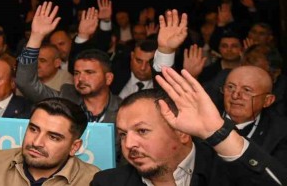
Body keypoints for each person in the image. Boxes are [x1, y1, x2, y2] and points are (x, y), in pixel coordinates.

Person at [92, 66, 287, 186]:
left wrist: (219, 133)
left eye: (142, 131)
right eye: (123, 134)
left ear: (182, 133)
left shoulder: (224, 173)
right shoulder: (107, 182)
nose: (128, 144)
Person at [0, 99, 99, 186]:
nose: (37, 142)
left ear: (74, 147)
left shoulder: (92, 180)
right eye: (33, 129)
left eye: (53, 137)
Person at [16, 3, 121, 123]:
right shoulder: (65, 98)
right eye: (76, 73)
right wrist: (36, 36)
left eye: (89, 72)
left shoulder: (123, 108)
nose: (80, 78)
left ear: (108, 78)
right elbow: (25, 82)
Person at [219, 65, 287, 165]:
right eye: (230, 87)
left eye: (246, 90)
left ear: (267, 101)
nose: (235, 95)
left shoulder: (280, 132)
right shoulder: (203, 119)